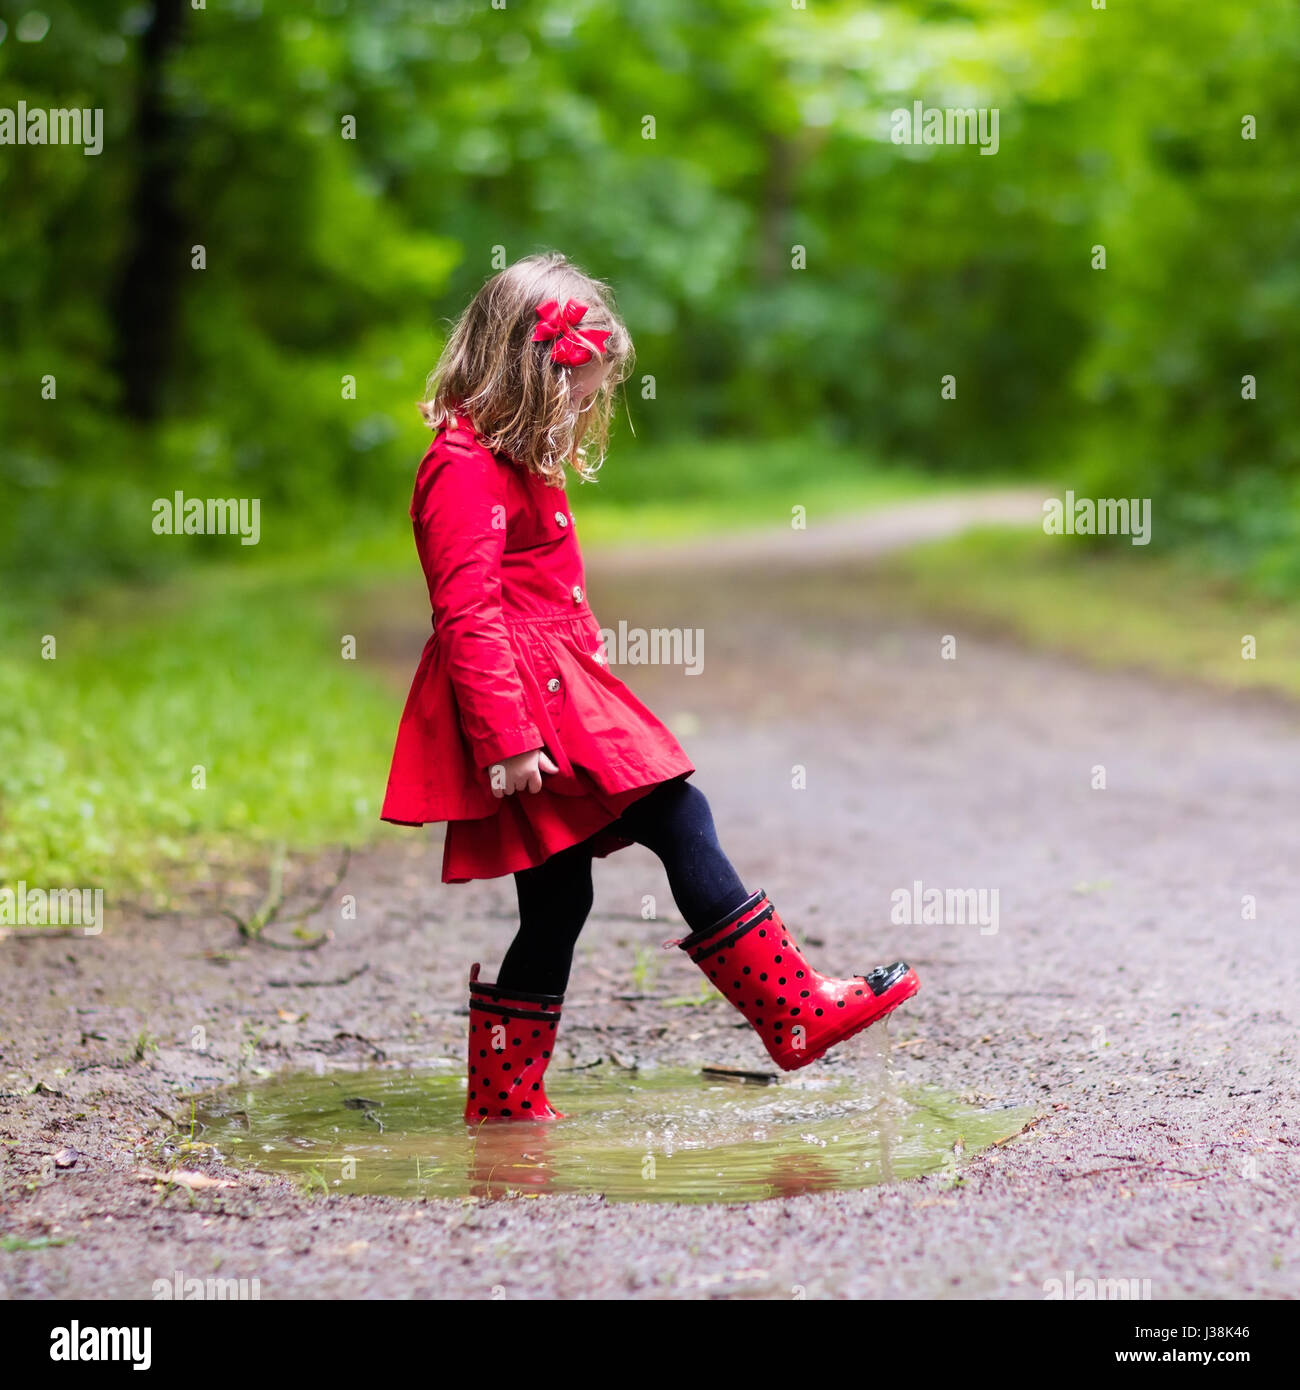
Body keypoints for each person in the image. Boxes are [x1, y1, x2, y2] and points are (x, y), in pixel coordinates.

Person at [381, 252, 919, 1123]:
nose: (587, 409)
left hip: (554, 687)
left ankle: (506, 1101)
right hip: (526, 706)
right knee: (678, 815)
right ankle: (794, 1012)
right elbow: (467, 611)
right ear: (528, 375)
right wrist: (507, 737)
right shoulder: (463, 465)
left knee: (558, 903)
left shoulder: (507, 458)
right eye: (580, 393)